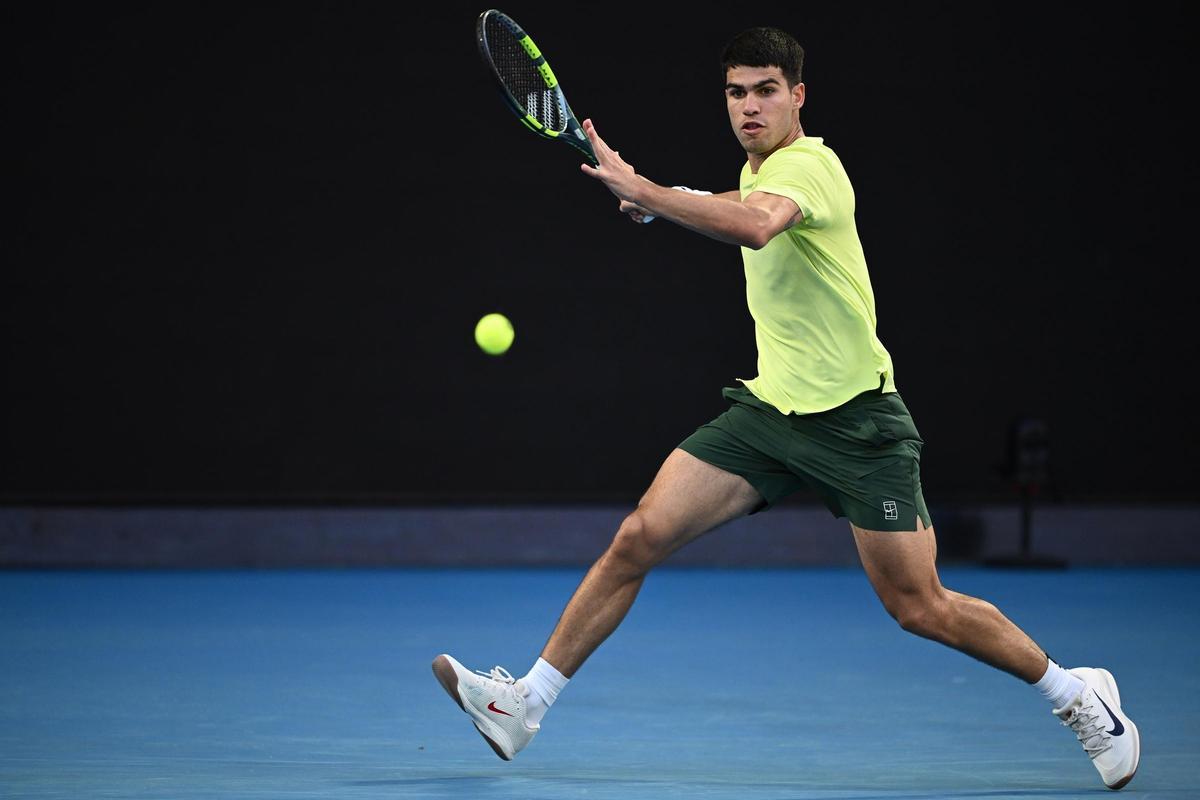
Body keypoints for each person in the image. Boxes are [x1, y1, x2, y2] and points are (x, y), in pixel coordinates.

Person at [432, 26, 1139, 790]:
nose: (750, 107)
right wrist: (654, 195)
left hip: (859, 424)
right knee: (640, 535)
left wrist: (648, 195)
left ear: (797, 95)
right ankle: (524, 704)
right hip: (771, 416)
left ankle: (1078, 695)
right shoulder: (760, 172)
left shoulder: (814, 165)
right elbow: (733, 201)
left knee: (920, 606)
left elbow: (759, 223)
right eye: (737, 92)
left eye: (767, 90)